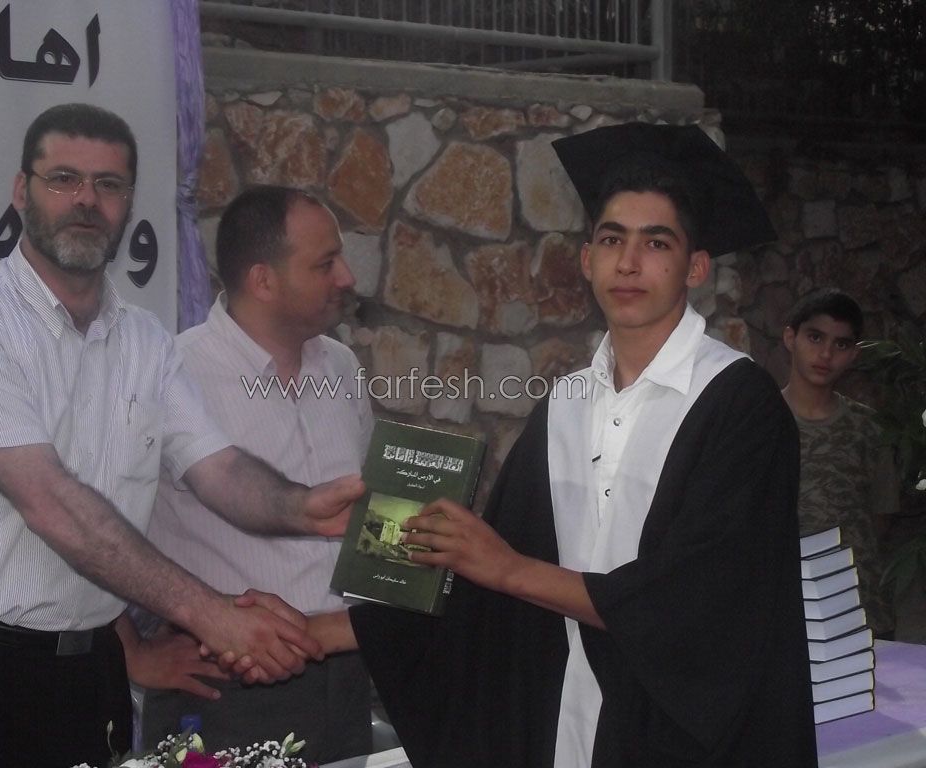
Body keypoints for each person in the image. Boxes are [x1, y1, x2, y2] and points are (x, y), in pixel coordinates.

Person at [294, 123, 817, 767]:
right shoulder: (565, 407)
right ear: (587, 260)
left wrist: (505, 567)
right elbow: (488, 594)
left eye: (657, 243)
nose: (629, 262)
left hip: (680, 744)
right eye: (612, 239)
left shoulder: (741, 406)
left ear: (696, 267)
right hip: (564, 731)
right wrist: (320, 630)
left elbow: (700, 605)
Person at [0, 103, 362, 768]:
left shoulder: (145, 339)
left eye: (109, 185)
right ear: (21, 190)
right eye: (64, 178)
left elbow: (218, 469)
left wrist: (300, 506)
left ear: (129, 204)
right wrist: (213, 614)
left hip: (92, 676)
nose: (86, 200)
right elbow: (54, 506)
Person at [134, 185, 374, 761]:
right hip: (223, 688)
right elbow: (93, 518)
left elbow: (363, 520)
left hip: (344, 679)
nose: (346, 278)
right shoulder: (172, 373)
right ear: (264, 280)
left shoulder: (342, 366)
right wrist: (131, 656)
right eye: (325, 264)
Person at [781, 287, 898, 638]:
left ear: (854, 354)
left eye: (841, 344)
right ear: (790, 338)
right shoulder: (758, 422)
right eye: (815, 337)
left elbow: (880, 518)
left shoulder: (870, 429)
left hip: (859, 610)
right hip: (780, 610)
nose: (826, 354)